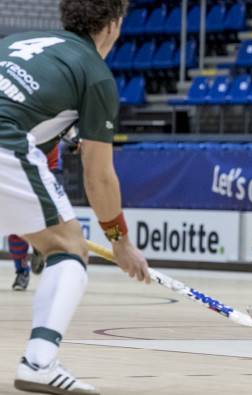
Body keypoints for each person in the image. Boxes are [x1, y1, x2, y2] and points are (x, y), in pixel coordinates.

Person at [1, 1, 151, 393]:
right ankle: (40, 361)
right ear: (113, 25)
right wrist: (121, 244)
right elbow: (99, 177)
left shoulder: (19, 40)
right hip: (4, 144)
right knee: (67, 247)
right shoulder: (96, 76)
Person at [10, 145, 62, 291]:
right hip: (18, 170)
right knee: (17, 229)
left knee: (55, 226)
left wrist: (73, 137)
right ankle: (22, 272)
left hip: (48, 172)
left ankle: (42, 248)